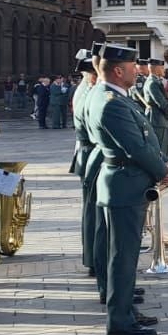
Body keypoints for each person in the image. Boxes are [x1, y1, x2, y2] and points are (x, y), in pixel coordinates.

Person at [85, 44, 168, 335]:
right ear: (119, 71)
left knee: (122, 253)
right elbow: (136, 147)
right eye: (134, 67)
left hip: (122, 181)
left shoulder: (112, 97)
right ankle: (120, 320)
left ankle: (126, 311)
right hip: (124, 182)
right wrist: (162, 169)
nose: (138, 71)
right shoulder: (111, 103)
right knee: (123, 255)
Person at [69, 49, 101, 277]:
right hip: (91, 155)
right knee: (94, 213)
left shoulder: (86, 90)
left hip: (87, 154)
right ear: (92, 75)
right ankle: (94, 259)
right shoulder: (89, 93)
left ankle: (93, 257)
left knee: (92, 211)